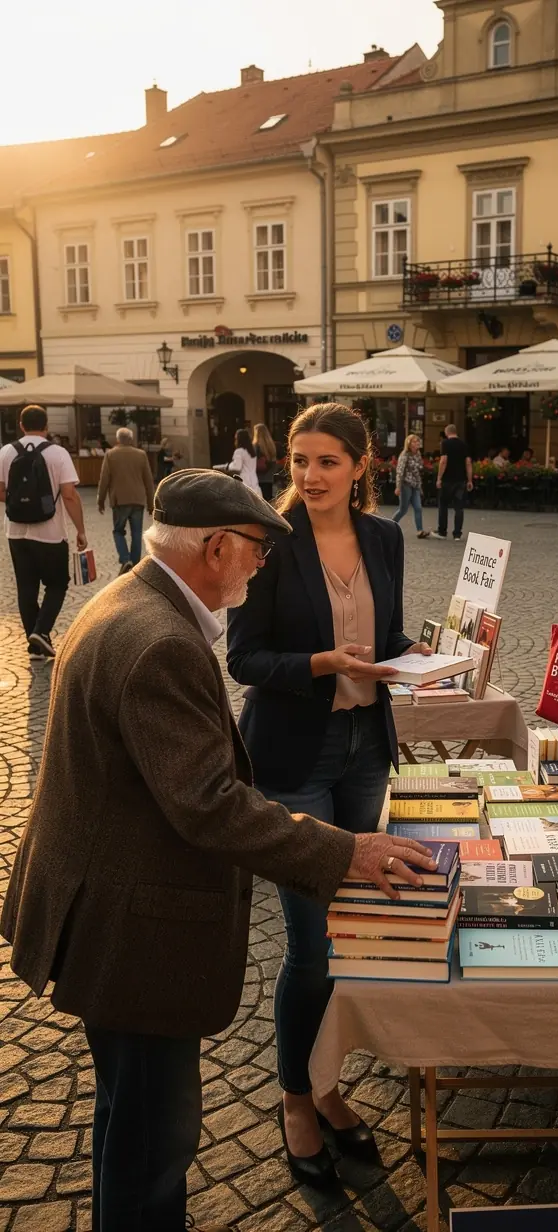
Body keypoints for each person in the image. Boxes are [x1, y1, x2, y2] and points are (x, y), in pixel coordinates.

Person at [0, 468, 434, 1232]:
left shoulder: (136, 601)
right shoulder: (159, 638)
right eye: (258, 554)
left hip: (106, 907)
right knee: (153, 1141)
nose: (261, 569)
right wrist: (346, 853)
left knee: (129, 1122)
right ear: (217, 546)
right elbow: (208, 804)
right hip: (127, 933)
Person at [227, 402, 434, 1186]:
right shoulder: (270, 545)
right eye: (299, 460)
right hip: (295, 760)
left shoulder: (383, 537)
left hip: (363, 754)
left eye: (326, 462)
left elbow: (390, 643)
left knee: (358, 930)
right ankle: (296, 1099)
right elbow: (245, 660)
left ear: (360, 467)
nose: (309, 476)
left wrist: (436, 659)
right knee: (311, 947)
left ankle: (331, 1083)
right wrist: (321, 663)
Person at [0, 403, 88, 659]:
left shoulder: (6, 451)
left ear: (21, 424)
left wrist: (21, 504)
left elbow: (0, 490)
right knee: (57, 584)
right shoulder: (58, 453)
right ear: (47, 426)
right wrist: (80, 530)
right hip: (50, 532)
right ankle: (41, 630)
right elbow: (70, 495)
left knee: (26, 587)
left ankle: (35, 642)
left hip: (16, 532)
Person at [97, 426, 155, 575]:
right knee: (136, 533)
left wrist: (100, 499)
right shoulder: (141, 455)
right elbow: (149, 480)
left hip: (119, 500)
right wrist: (151, 503)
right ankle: (135, 564)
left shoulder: (111, 455)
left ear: (117, 439)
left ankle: (125, 559)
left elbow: (104, 479)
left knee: (118, 531)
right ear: (131, 439)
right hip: (137, 499)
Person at [432, 422, 473, 540]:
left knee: (443, 505)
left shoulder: (445, 443)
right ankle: (457, 534)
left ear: (447, 432)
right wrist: (469, 480)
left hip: (447, 479)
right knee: (459, 507)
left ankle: (442, 531)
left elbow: (443, 461)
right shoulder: (464, 445)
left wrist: (439, 477)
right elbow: (468, 463)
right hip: (460, 480)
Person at [393, 433, 430, 538]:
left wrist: (420, 487)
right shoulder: (405, 455)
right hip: (406, 485)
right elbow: (400, 471)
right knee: (403, 509)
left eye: (418, 441)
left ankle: (420, 531)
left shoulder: (418, 454)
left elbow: (418, 472)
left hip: (415, 485)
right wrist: (398, 486)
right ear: (409, 444)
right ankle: (389, 526)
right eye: (414, 441)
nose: (417, 443)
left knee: (418, 508)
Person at [227, 427, 261, 494]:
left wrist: (229, 466)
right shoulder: (252, 451)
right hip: (254, 480)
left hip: (244, 480)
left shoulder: (239, 451)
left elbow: (237, 467)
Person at [252, 422, 278, 502]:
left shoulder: (255, 446)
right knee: (268, 502)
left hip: (258, 478)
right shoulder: (272, 445)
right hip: (269, 478)